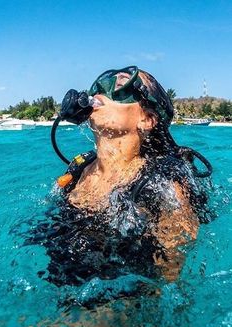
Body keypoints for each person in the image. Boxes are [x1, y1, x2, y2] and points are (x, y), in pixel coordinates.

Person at [28, 66, 212, 292]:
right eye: (100, 87)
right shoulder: (77, 170)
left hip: (117, 307)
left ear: (147, 120)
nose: (101, 93)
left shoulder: (161, 186)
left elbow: (168, 285)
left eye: (120, 86)